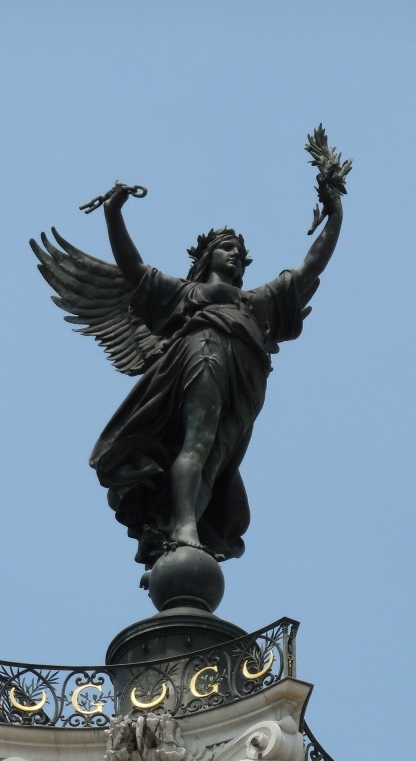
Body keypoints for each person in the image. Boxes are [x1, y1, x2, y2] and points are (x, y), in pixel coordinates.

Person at [86, 182, 343, 567]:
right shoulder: (185, 293)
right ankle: (184, 528)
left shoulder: (254, 302)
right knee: (199, 440)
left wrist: (335, 214)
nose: (236, 254)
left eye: (240, 252)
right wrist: (113, 213)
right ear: (208, 257)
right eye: (227, 247)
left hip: (248, 375)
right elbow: (133, 268)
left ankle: (183, 523)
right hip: (204, 351)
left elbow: (310, 267)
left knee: (218, 461)